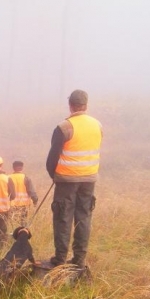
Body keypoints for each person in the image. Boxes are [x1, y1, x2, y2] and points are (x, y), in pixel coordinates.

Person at [46, 89, 103, 268]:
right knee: (83, 217)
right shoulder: (97, 125)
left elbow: (52, 158)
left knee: (63, 217)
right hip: (89, 180)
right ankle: (79, 259)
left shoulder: (64, 127)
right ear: (86, 105)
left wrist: (54, 176)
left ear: (70, 105)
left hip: (67, 180)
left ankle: (60, 258)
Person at [9, 160, 38, 226]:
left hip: (11, 204)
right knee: (23, 223)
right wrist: (35, 201)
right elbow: (32, 191)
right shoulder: (26, 178)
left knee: (13, 224)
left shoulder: (8, 177)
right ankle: (22, 235)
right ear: (22, 168)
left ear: (13, 168)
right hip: (24, 205)